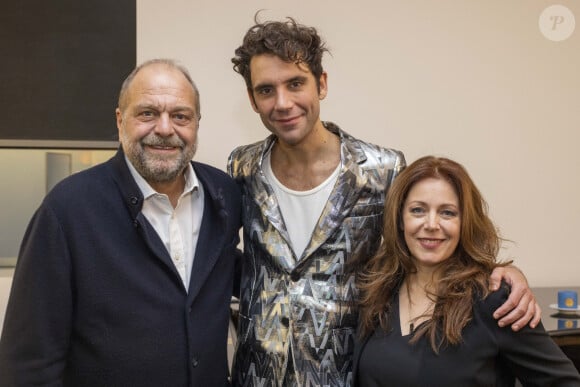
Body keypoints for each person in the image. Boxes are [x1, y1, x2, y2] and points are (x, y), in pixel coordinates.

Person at [227, 16, 540, 387]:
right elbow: (221, 260)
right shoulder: (241, 167)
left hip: (346, 371)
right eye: (266, 90)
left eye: (296, 84)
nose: (283, 102)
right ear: (252, 99)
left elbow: (428, 245)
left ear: (321, 84)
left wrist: (502, 273)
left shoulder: (383, 169)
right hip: (257, 373)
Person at [0, 59, 241, 386]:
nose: (165, 129)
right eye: (148, 114)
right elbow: (29, 362)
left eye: (180, 116)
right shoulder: (67, 210)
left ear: (197, 123)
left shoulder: (223, 196)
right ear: (119, 120)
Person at [354, 156, 580, 386]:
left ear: (465, 223)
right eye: (418, 210)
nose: (432, 224)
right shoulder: (378, 290)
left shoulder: (495, 300)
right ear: (401, 219)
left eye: (447, 213)